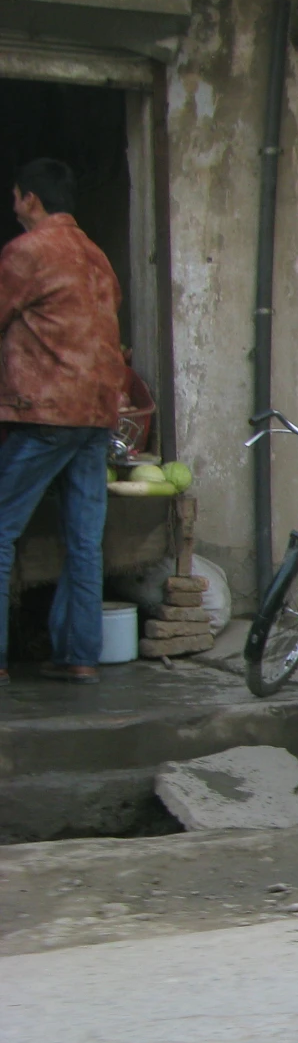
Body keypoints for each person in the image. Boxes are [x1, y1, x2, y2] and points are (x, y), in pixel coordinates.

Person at [0, 159, 128, 685]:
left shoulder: (28, 251)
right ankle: (80, 657)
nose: (13, 206)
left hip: (47, 410)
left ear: (30, 199)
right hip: (97, 414)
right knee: (83, 541)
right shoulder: (96, 256)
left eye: (14, 196)